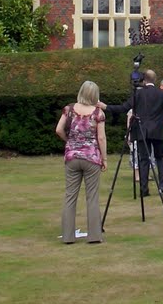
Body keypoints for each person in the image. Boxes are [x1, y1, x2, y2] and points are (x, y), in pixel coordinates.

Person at [103, 69, 163, 197]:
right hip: (158, 130)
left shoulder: (138, 94)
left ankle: (144, 188)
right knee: (161, 157)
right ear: (155, 80)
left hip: (142, 130)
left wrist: (106, 107)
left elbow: (123, 107)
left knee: (143, 159)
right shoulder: (161, 94)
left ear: (143, 80)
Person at [55, 80, 107, 244]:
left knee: (70, 196)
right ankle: (94, 235)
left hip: (72, 157)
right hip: (91, 158)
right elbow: (101, 137)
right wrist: (104, 158)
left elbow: (58, 129)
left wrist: (68, 141)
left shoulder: (69, 109)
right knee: (92, 197)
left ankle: (68, 236)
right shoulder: (98, 113)